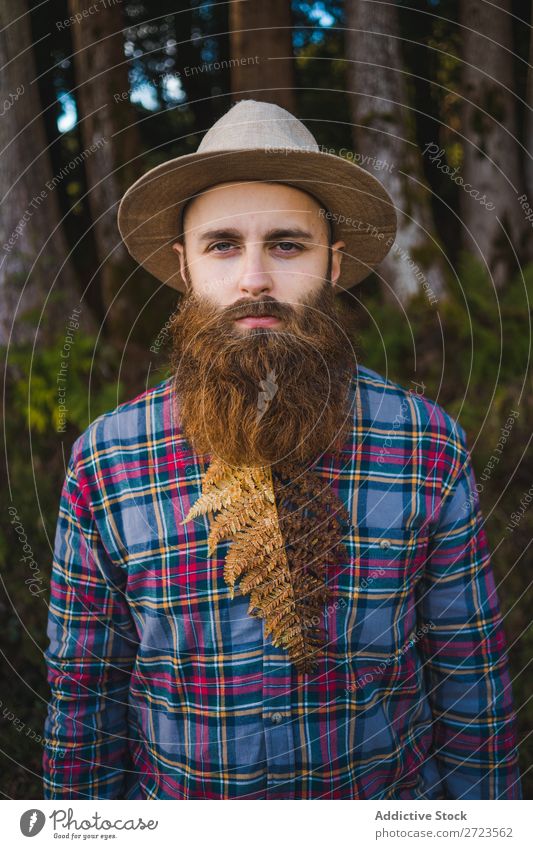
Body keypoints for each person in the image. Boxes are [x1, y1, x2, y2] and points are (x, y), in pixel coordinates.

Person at [43, 99, 522, 800]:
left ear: (334, 259)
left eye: (287, 244)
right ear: (184, 266)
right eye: (223, 244)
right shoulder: (109, 461)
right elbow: (82, 699)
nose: (254, 279)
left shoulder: (423, 445)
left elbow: (468, 684)